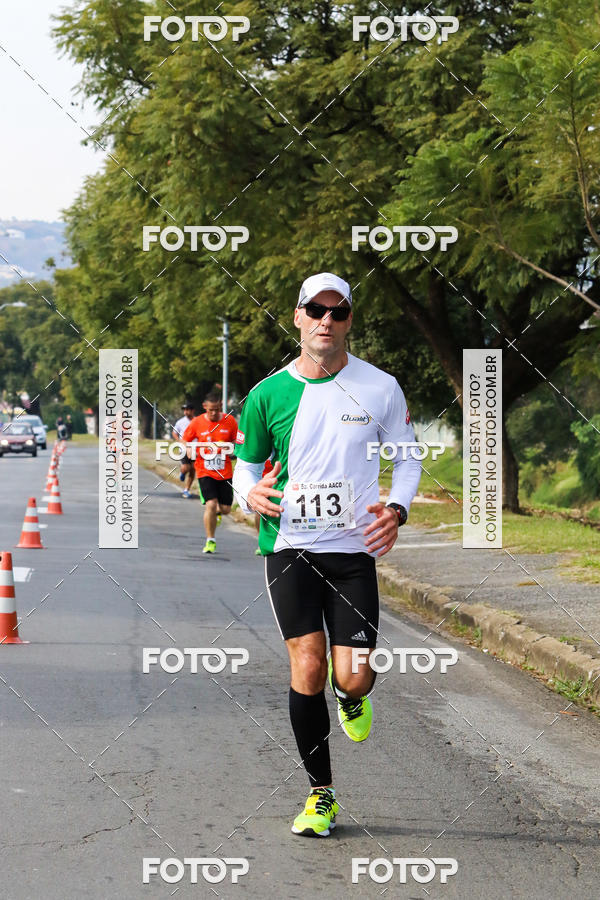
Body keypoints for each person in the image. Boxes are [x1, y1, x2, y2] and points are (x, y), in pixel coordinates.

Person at [233, 272, 421, 837]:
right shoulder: (267, 395)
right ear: (297, 317)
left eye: (337, 313)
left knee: (354, 675)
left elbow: (408, 458)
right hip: (289, 546)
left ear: (348, 322)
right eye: (315, 310)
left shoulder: (380, 387)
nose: (325, 321)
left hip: (353, 549)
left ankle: (354, 694)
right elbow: (244, 468)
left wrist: (397, 509)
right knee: (306, 664)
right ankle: (321, 794)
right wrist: (249, 493)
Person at [183, 392, 238, 554]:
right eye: (210, 410)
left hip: (225, 471)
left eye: (216, 409)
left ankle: (217, 514)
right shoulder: (197, 422)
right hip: (204, 469)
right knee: (211, 504)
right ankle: (210, 541)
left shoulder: (230, 421)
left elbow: (238, 440)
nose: (213, 413)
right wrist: (188, 449)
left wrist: (234, 450)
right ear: (204, 407)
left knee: (226, 509)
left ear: (221, 406)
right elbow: (185, 439)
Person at [172, 402, 196, 497]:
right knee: (186, 467)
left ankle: (186, 489)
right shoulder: (180, 422)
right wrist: (179, 441)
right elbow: (174, 432)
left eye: (187, 410)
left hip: (196, 448)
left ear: (192, 411)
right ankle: (182, 473)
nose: (185, 412)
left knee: (193, 470)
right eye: (184, 410)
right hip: (184, 449)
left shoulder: (197, 420)